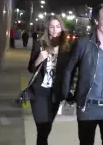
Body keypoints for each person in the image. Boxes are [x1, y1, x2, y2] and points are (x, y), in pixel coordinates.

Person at [63, 3, 103, 145]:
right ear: (97, 21)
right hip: (87, 107)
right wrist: (67, 94)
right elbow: (69, 69)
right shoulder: (83, 43)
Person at [27, 15, 73, 145]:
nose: (55, 29)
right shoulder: (40, 44)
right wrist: (39, 59)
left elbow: (70, 70)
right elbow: (30, 68)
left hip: (55, 94)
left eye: (58, 26)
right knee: (42, 130)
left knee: (46, 129)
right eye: (52, 27)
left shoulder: (67, 48)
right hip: (39, 93)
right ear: (47, 28)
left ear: (62, 28)